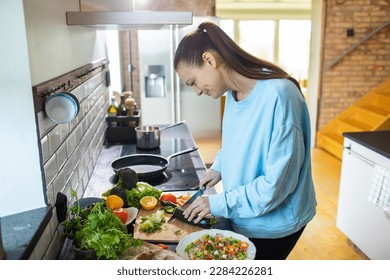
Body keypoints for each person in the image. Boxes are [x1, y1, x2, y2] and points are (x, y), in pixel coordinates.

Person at [174, 21, 317, 260]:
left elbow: (275, 187)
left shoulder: (280, 97)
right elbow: (235, 143)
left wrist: (217, 204)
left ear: (209, 60)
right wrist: (219, 166)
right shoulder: (232, 95)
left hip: (274, 224)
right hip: (245, 215)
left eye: (193, 82)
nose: (197, 91)